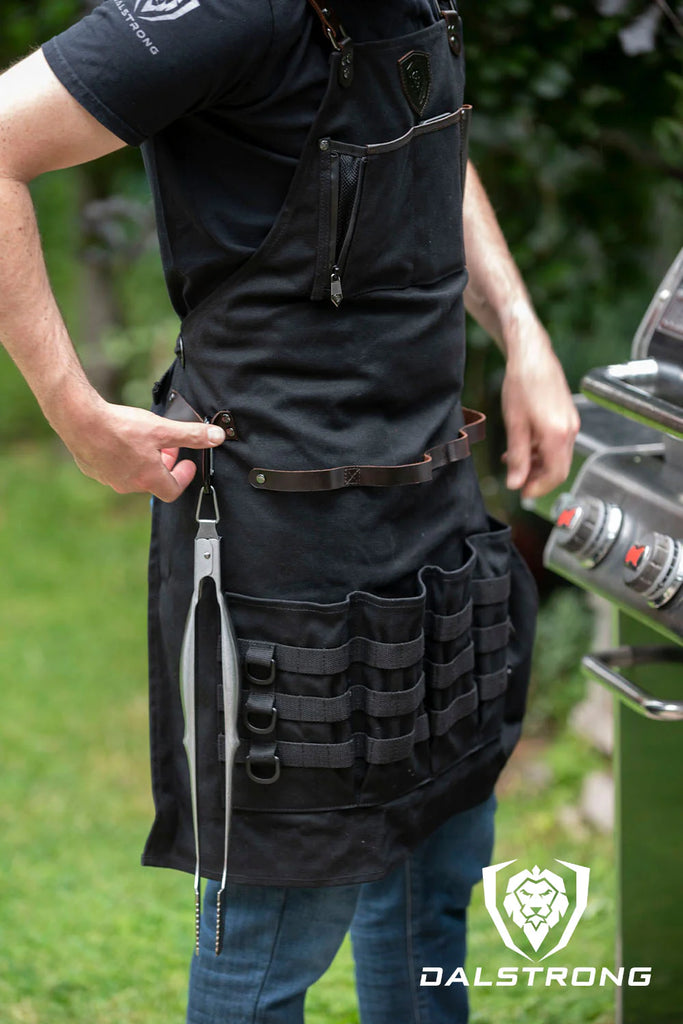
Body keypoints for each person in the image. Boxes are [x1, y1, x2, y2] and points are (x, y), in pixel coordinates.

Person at [0, 1, 579, 1021]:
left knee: (431, 887)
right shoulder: (224, 11)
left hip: (435, 512)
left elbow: (428, 135)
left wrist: (519, 327)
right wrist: (74, 411)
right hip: (285, 552)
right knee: (272, 944)